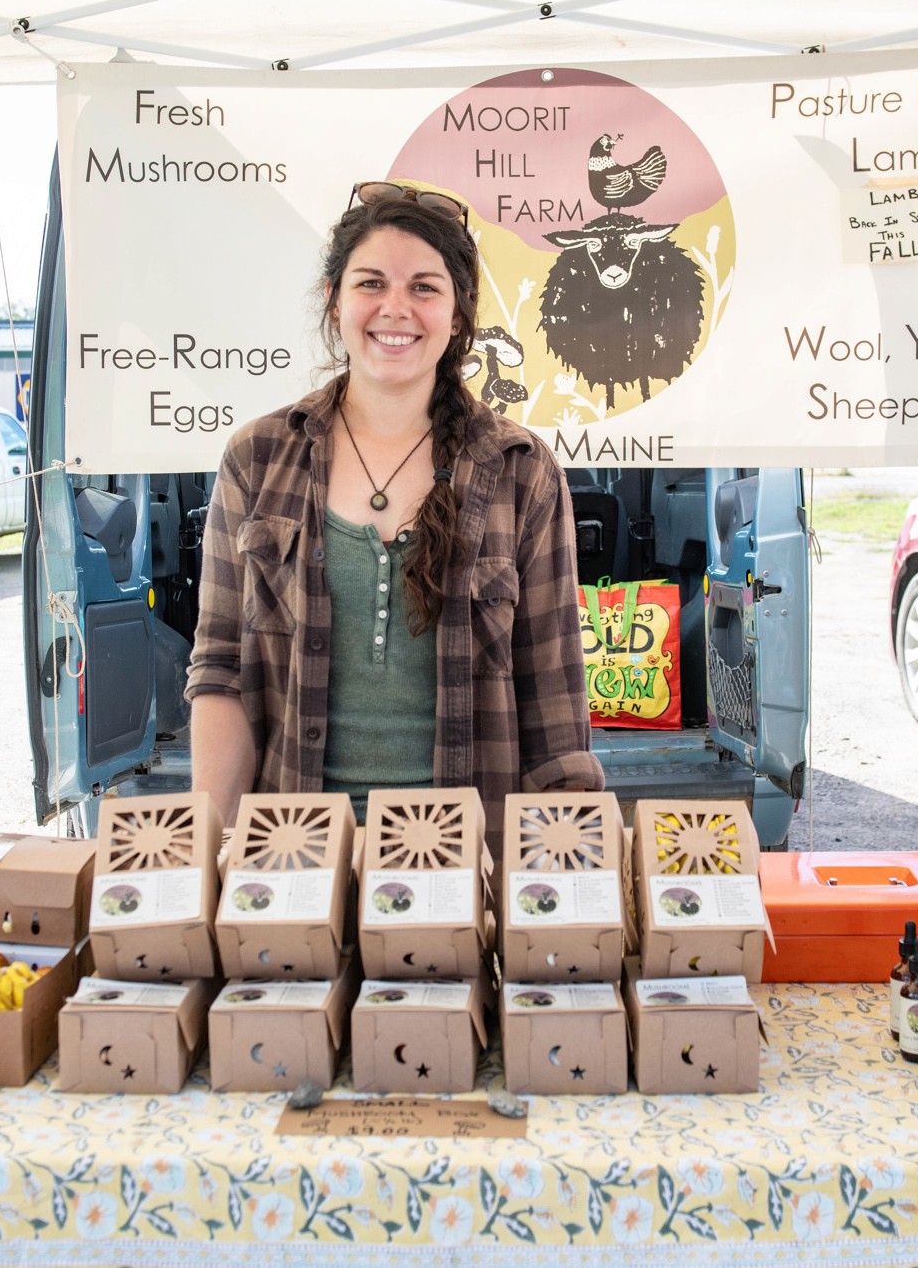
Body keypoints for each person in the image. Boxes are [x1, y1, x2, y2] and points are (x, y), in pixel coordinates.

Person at [186, 182, 604, 842]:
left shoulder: (521, 469)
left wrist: (564, 883)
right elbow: (221, 672)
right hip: (292, 860)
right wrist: (209, 852)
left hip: (467, 870)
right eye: (371, 283)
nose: (395, 308)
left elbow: (553, 706)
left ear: (460, 314)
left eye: (425, 288)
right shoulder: (258, 458)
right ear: (335, 300)